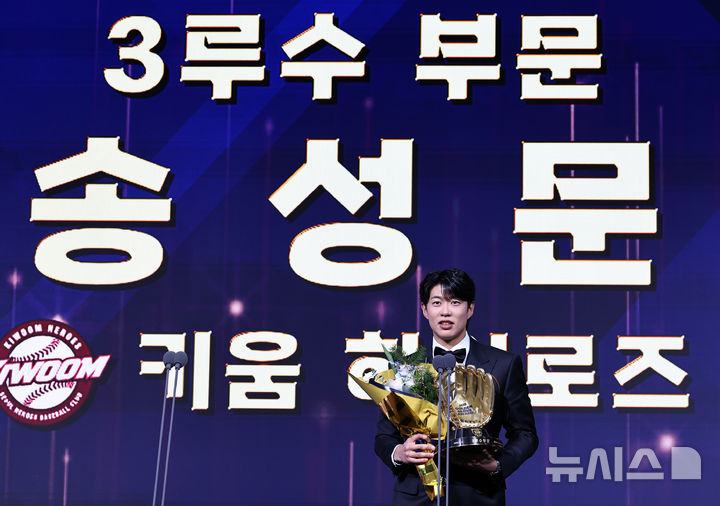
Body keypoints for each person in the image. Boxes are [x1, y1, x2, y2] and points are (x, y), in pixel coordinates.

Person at [375, 268, 538, 505]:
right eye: (437, 303)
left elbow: (526, 433)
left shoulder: (503, 364)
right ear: (424, 309)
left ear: (470, 309)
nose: (445, 311)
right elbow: (383, 436)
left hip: (479, 495)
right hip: (416, 496)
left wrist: (498, 466)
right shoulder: (405, 368)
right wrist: (399, 453)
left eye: (455, 302)